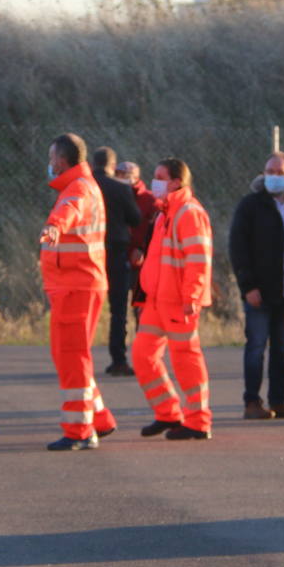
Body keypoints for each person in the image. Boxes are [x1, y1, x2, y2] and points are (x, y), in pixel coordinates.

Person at [41, 133, 118, 450]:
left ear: (60, 160)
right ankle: (98, 418)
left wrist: (55, 225)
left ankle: (80, 431)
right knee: (69, 355)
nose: (49, 164)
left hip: (77, 286)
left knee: (73, 357)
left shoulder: (79, 189)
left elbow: (71, 210)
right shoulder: (80, 185)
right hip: (74, 285)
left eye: (51, 157)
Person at [229, 151, 284, 420]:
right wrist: (248, 286)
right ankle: (252, 402)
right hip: (260, 290)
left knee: (281, 349)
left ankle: (279, 401)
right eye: (269, 171)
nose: (273, 177)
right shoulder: (251, 205)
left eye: (279, 172)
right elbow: (238, 248)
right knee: (256, 346)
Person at [133, 158, 216, 440]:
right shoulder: (165, 213)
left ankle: (198, 421)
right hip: (157, 301)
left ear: (176, 182)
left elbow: (198, 260)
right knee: (142, 355)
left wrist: (191, 296)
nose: (154, 181)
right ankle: (168, 412)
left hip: (179, 301)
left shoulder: (188, 213)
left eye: (160, 177)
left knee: (185, 359)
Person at [90, 147, 141, 377]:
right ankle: (118, 359)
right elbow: (135, 218)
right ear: (112, 165)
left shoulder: (84, 186)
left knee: (86, 309)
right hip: (116, 251)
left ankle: (79, 358)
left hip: (88, 252)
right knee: (118, 309)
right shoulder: (120, 188)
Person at [117, 160, 159, 317]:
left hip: (142, 262)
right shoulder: (115, 196)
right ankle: (119, 341)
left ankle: (142, 340)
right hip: (120, 257)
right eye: (118, 174)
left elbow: (156, 229)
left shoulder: (150, 200)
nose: (121, 178)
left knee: (141, 308)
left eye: (125, 175)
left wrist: (143, 249)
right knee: (118, 307)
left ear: (136, 177)